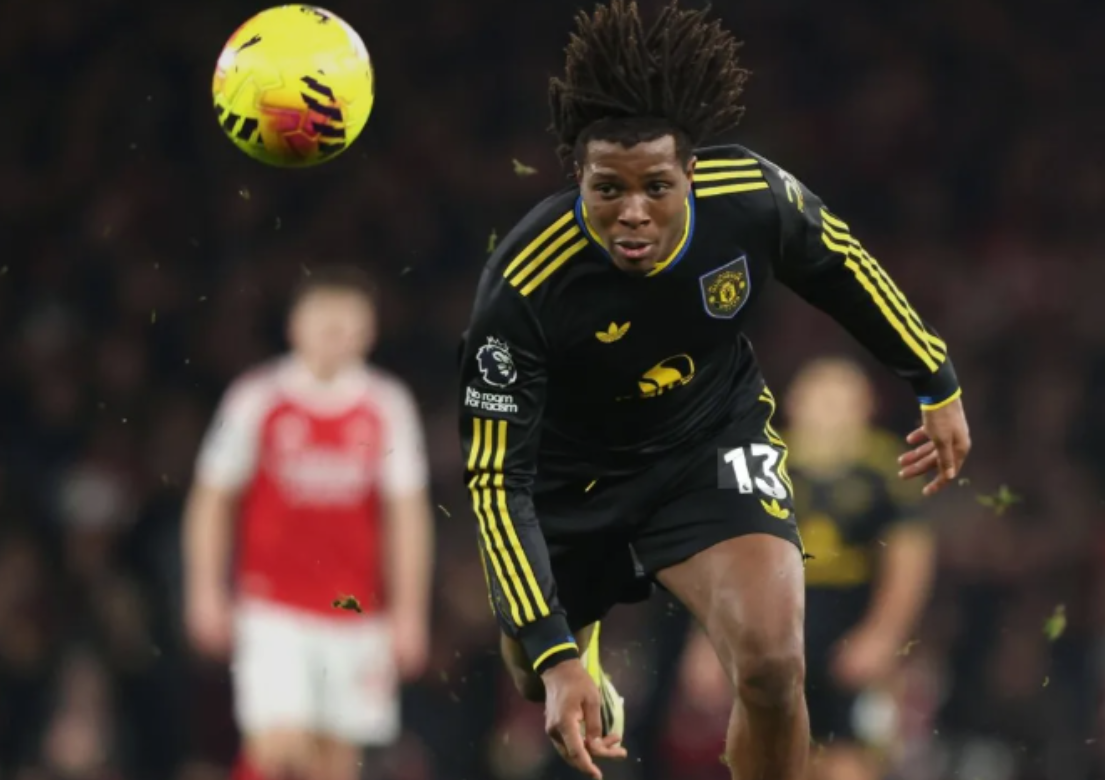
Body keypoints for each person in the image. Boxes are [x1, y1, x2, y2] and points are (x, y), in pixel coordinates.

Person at [456, 2, 972, 778]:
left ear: (690, 175)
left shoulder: (752, 196)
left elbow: (841, 263)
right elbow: (497, 479)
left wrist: (934, 379)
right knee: (535, 676)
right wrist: (555, 655)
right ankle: (577, 643)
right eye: (608, 189)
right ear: (578, 179)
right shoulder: (523, 285)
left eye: (657, 187)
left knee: (772, 665)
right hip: (572, 481)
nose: (633, 213)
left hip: (707, 445)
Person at [184, 266, 434, 780]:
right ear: (295, 326)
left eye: (348, 323)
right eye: (324, 321)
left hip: (358, 611)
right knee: (278, 745)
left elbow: (407, 514)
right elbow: (211, 499)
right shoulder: (257, 397)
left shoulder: (386, 405)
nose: (335, 334)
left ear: (369, 331)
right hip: (272, 607)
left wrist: (410, 611)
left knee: (335, 762)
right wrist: (204, 589)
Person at [785, 356, 937, 780]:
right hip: (780, 624)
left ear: (867, 408)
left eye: (842, 401)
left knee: (852, 754)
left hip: (853, 620)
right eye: (820, 399)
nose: (829, 413)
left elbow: (910, 557)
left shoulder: (887, 469)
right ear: (793, 403)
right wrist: (714, 638)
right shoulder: (758, 462)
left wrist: (884, 633)